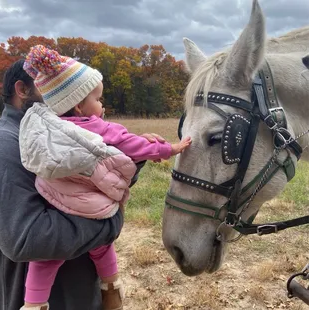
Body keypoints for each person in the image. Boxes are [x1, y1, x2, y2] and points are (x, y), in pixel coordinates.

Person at [18, 45, 192, 310]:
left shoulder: (44, 127)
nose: (102, 105)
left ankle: (33, 304)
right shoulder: (94, 127)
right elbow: (130, 143)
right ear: (79, 105)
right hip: (88, 205)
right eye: (98, 99)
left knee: (43, 261)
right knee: (102, 246)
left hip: (54, 201)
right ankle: (111, 290)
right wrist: (170, 148)